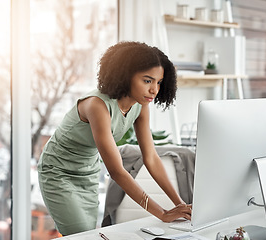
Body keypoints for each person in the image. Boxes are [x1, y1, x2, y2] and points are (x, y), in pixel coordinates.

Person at [37, 41, 192, 236]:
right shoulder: (97, 105)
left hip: (88, 172)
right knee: (81, 235)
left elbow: (150, 157)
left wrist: (180, 205)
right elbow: (117, 171)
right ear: (125, 76)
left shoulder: (140, 105)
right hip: (58, 173)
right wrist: (162, 213)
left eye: (159, 82)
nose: (154, 89)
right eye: (147, 81)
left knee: (87, 234)